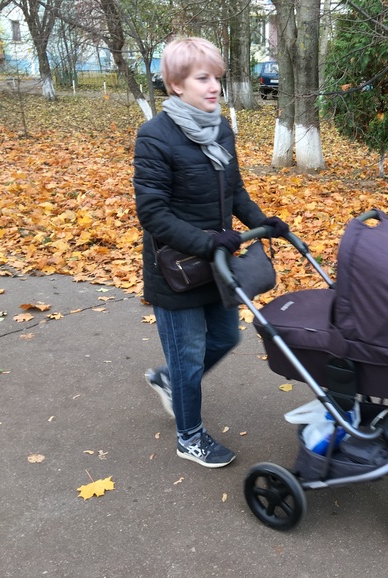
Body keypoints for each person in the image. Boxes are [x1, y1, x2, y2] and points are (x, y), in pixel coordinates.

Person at [133, 37, 289, 468]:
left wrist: (264, 221)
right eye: (203, 78)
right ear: (176, 84)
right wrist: (207, 242)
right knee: (187, 359)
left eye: (217, 78)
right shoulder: (155, 137)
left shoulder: (220, 129)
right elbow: (152, 213)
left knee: (225, 337)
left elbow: (234, 190)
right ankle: (189, 437)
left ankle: (169, 380)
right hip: (176, 269)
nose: (214, 86)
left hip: (216, 262)